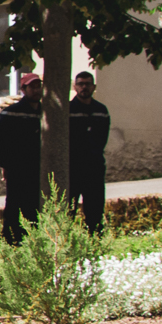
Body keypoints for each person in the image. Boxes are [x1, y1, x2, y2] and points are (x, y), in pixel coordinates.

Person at [0, 71, 45, 245]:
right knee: (15, 211)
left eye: (38, 86)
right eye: (32, 87)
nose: (36, 90)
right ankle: (13, 244)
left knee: (36, 210)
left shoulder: (46, 114)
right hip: (18, 172)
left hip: (40, 172)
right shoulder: (11, 113)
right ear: (23, 89)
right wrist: (8, 165)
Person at [69, 71, 110, 233]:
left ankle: (95, 241)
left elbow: (102, 139)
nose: (84, 87)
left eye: (87, 84)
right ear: (75, 86)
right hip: (73, 168)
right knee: (68, 210)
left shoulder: (101, 110)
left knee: (95, 210)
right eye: (80, 84)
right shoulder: (68, 110)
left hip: (94, 167)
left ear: (94, 87)